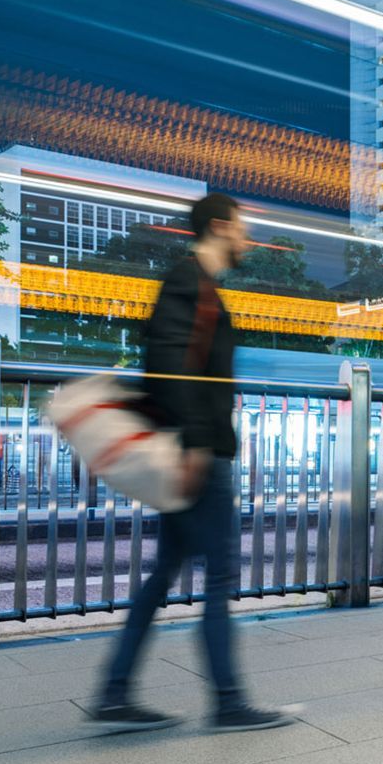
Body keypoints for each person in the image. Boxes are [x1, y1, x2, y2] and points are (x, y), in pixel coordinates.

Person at [93, 193, 293, 732]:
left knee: (163, 576)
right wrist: (198, 446)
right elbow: (174, 369)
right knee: (222, 573)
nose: (247, 240)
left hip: (191, 450)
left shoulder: (198, 288)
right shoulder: (189, 285)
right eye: (243, 229)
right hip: (197, 457)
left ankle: (115, 692)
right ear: (221, 227)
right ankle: (229, 702)